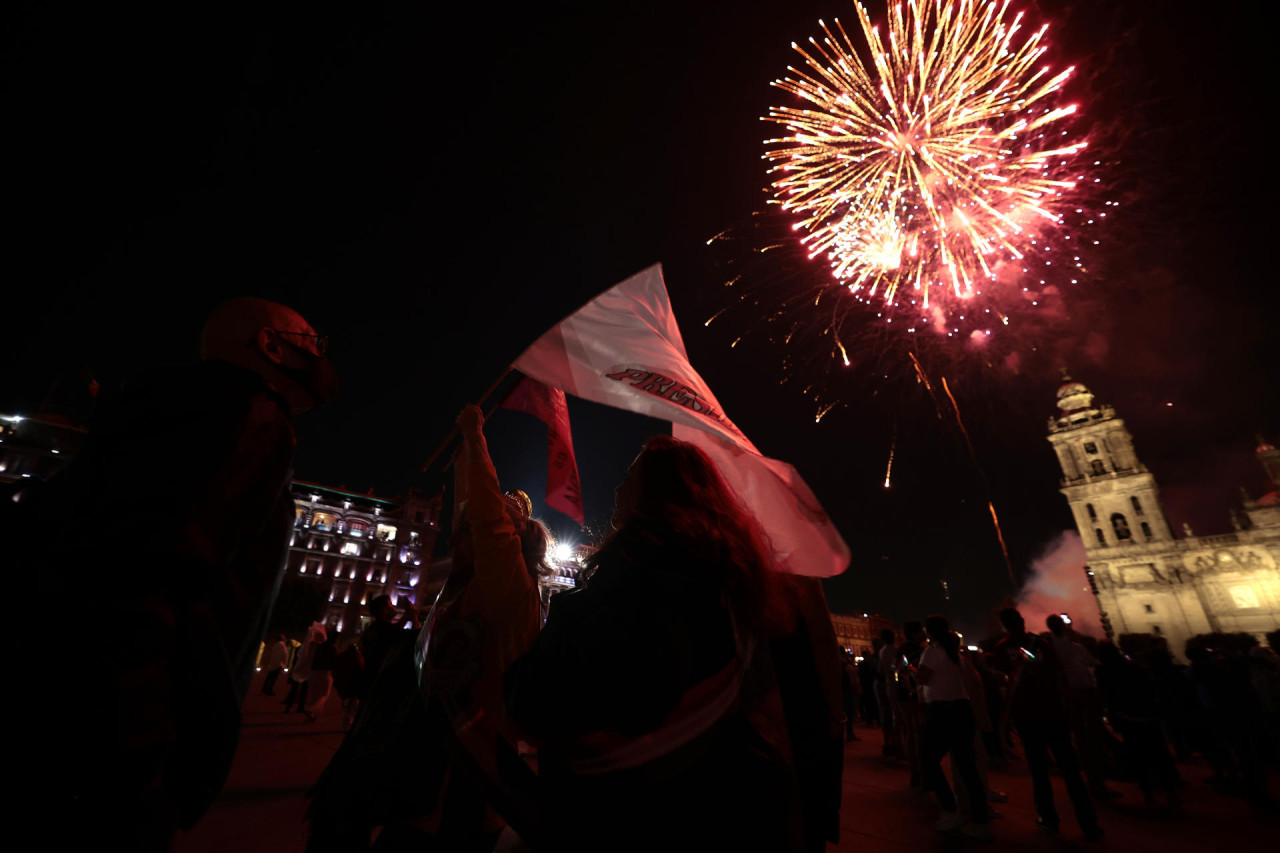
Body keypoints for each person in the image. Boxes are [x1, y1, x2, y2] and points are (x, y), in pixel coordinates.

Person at [16, 297, 336, 850]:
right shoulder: (251, 416)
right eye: (313, 343)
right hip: (115, 752)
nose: (321, 357)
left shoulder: (153, 414)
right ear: (271, 345)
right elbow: (157, 577)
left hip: (58, 714)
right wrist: (146, 765)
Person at [504, 435, 808, 852]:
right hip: (707, 810)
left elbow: (548, 698)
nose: (616, 489)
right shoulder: (723, 582)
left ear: (660, 492)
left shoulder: (639, 577)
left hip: (622, 817)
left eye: (630, 477)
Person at [306, 404, 545, 851]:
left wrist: (476, 438)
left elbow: (489, 526)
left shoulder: (510, 590)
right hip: (416, 787)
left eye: (466, 531)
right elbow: (476, 522)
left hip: (465, 794)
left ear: (507, 542)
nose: (454, 540)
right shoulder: (461, 592)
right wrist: (462, 466)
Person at [994, 608, 1102, 841]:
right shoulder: (1042, 644)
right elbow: (1058, 674)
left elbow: (1002, 680)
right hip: (1053, 712)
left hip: (1026, 716)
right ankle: (1089, 823)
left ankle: (1049, 820)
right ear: (1022, 621)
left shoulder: (1001, 649)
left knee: (1038, 771)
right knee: (1070, 770)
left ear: (1004, 625)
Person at [916, 615, 993, 841]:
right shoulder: (955, 654)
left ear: (929, 631)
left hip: (941, 712)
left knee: (928, 761)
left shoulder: (932, 652)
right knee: (967, 767)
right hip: (961, 710)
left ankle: (950, 810)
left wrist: (912, 673)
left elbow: (924, 679)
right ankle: (980, 819)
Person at [1095, 642, 1181, 809]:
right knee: (1159, 755)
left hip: (1128, 720)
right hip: (1147, 718)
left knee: (1139, 758)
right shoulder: (1135, 669)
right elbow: (1150, 690)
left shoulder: (1105, 674)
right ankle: (1171, 793)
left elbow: (1106, 697)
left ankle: (1148, 795)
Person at [1046, 614, 1118, 800]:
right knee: (1092, 739)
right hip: (1083, 694)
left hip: (1066, 697)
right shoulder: (1074, 647)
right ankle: (1097, 782)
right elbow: (1091, 663)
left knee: (1080, 738)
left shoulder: (1050, 648)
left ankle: (1091, 779)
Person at [285, 620, 328, 718]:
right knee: (300, 687)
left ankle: (293, 706)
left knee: (299, 688)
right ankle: (294, 706)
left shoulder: (308, 646)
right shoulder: (313, 646)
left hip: (305, 668)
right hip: (306, 668)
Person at [330, 633, 365, 731]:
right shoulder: (357, 658)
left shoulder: (343, 656)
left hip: (348, 685)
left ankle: (348, 724)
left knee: (350, 706)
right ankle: (348, 725)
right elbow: (360, 670)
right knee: (352, 707)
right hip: (354, 686)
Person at [304, 629, 339, 721]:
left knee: (313, 695)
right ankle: (312, 710)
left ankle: (311, 715)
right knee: (324, 695)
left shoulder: (319, 647)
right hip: (325, 673)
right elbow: (334, 662)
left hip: (314, 671)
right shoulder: (333, 649)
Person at [876, 629, 900, 757]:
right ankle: (898, 743)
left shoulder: (881, 651)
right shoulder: (895, 650)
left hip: (888, 684)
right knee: (898, 716)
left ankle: (893, 742)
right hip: (896, 684)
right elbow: (898, 667)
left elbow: (880, 669)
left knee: (893, 714)